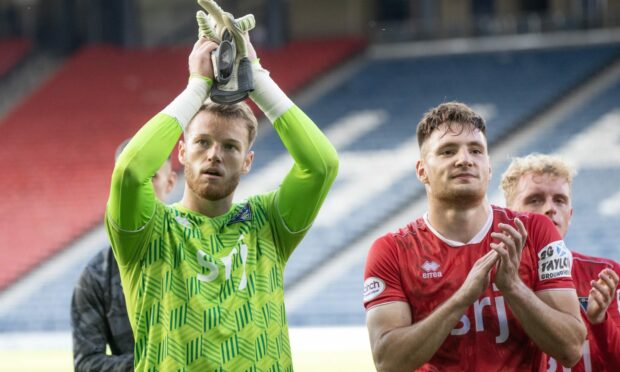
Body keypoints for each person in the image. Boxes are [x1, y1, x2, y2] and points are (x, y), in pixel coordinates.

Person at [104, 17, 338, 372]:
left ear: (247, 162)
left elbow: (322, 165)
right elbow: (130, 171)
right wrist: (196, 87)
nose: (214, 154)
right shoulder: (148, 228)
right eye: (202, 142)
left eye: (230, 146)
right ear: (181, 153)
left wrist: (257, 78)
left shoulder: (267, 224)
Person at [363, 102, 586, 371]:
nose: (464, 159)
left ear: (489, 167)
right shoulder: (392, 250)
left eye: (476, 150)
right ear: (422, 170)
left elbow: (571, 349)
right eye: (448, 151)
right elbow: (388, 363)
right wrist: (462, 298)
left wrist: (513, 288)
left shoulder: (535, 231)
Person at [501, 153, 620, 371]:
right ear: (508, 213)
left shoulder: (607, 274)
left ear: (570, 214)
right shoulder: (484, 278)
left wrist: (600, 322)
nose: (550, 209)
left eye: (560, 200)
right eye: (535, 199)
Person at [71, 140, 177, 371]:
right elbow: (86, 363)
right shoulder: (96, 276)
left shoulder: (202, 250)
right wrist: (158, 365)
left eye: (150, 178)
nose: (138, 189)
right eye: (128, 180)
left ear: (170, 183)